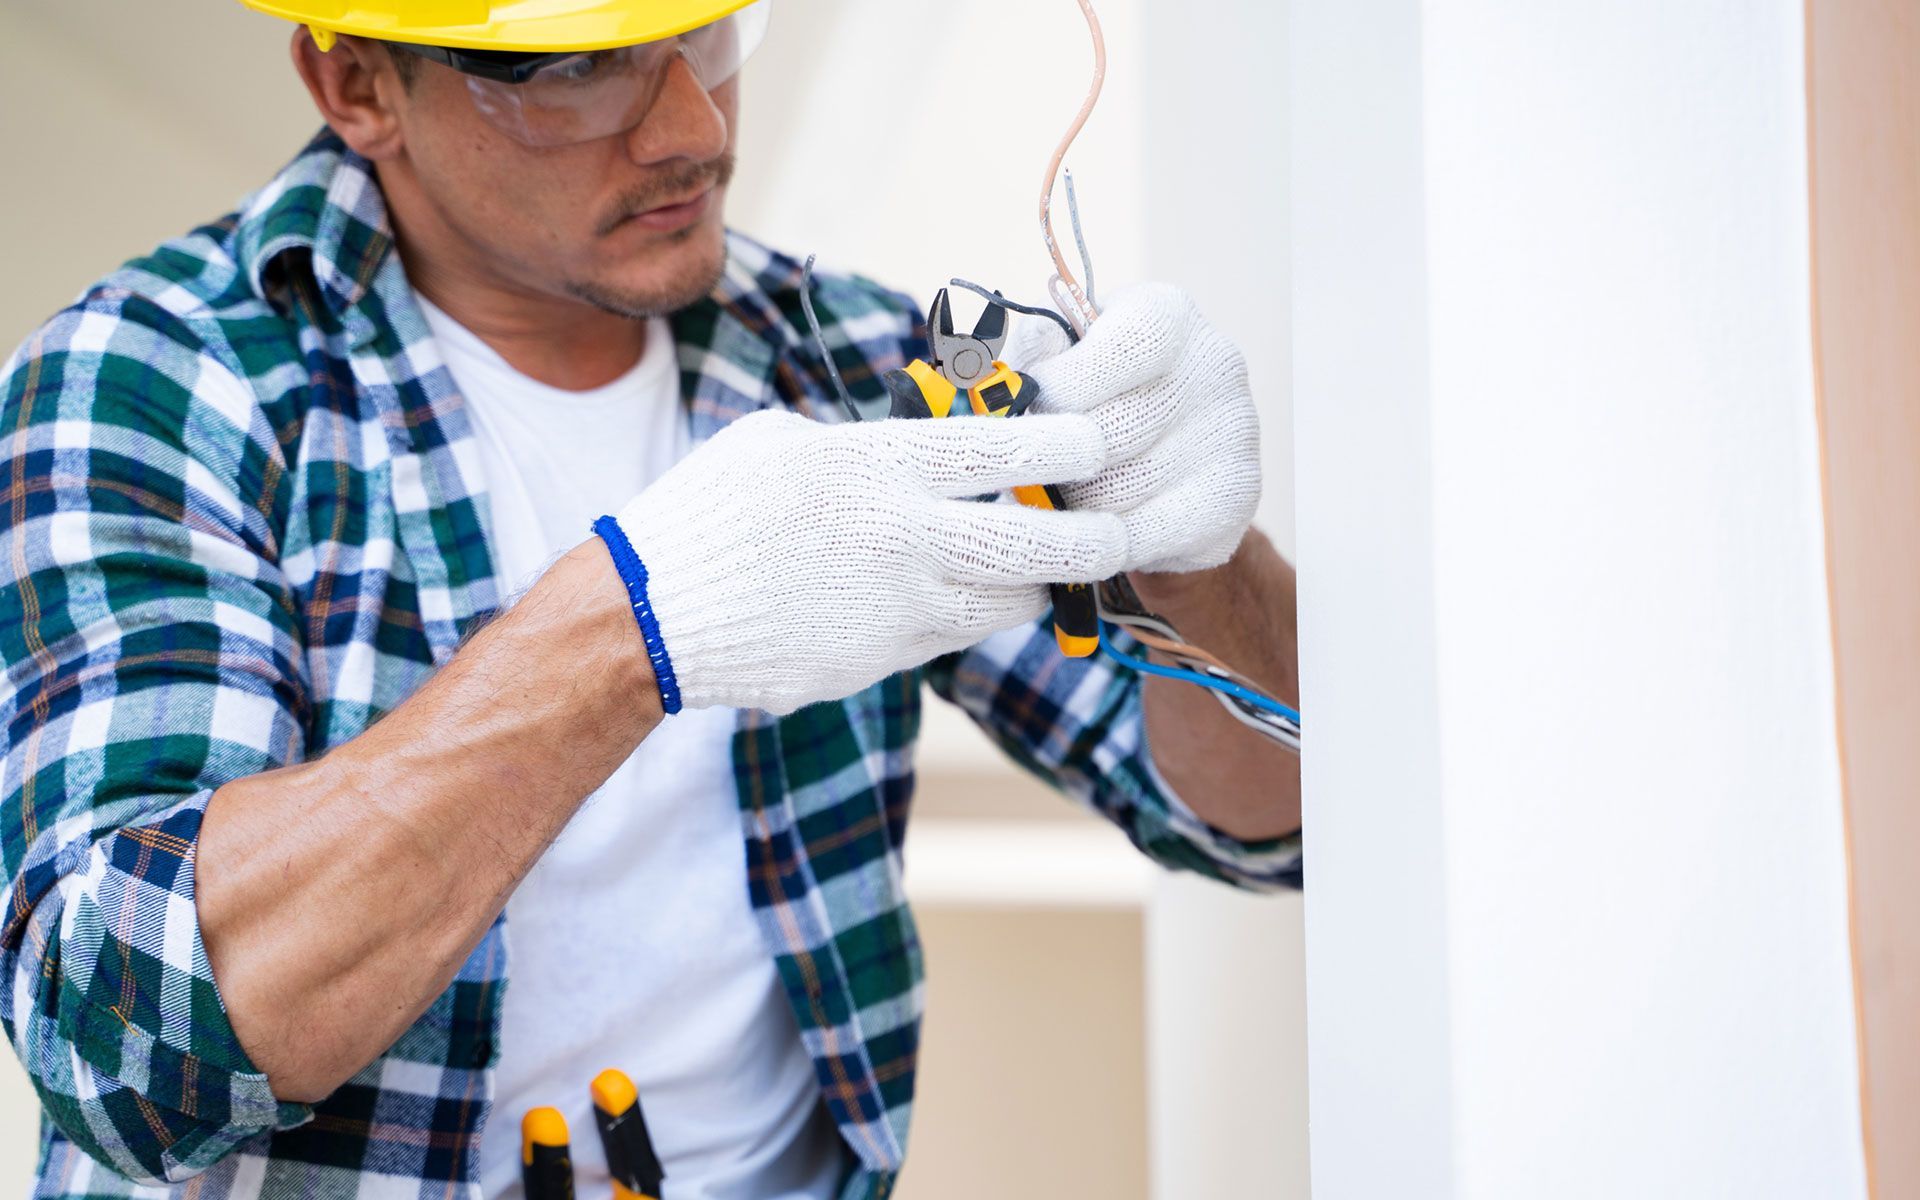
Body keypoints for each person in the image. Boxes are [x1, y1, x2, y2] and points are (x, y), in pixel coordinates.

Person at [0, 2, 1301, 1198]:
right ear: (357, 85)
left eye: (713, 30)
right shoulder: (156, 383)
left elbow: (1263, 818)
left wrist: (1197, 560)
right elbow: (127, 1046)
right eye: (572, 68)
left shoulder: (841, 355)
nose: (696, 126)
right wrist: (629, 626)